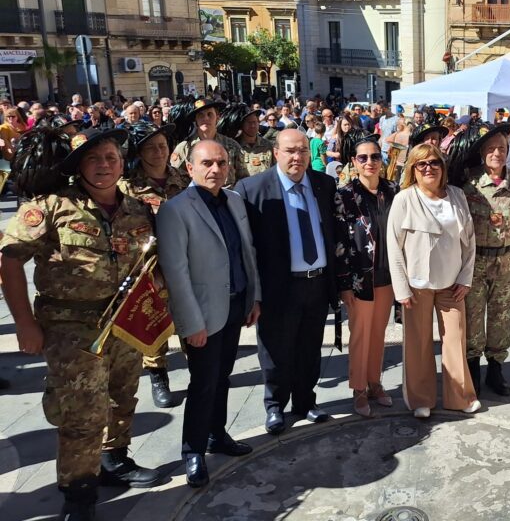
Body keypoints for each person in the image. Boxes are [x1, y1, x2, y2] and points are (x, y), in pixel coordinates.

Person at [0, 127, 163, 519]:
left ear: (123, 164)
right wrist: (24, 322)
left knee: (122, 397)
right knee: (82, 414)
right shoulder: (53, 207)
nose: (104, 166)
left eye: (111, 158)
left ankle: (114, 461)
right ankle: (79, 493)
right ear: (79, 167)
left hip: (124, 324)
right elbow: (7, 259)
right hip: (71, 330)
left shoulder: (139, 209)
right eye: (94, 159)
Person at [157, 141, 261, 488]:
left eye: (221, 163)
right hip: (203, 314)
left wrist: (253, 298)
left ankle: (218, 435)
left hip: (235, 304)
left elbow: (247, 252)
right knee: (202, 383)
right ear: (190, 168)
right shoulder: (176, 210)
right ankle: (193, 451)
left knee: (224, 376)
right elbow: (176, 271)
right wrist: (191, 323)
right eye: (207, 163)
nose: (215, 169)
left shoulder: (233, 201)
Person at [235, 129, 338, 434]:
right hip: (278, 287)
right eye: (290, 151)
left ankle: (306, 402)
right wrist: (253, 294)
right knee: (275, 350)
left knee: (310, 348)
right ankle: (275, 406)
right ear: (275, 153)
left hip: (316, 283)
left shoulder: (324, 184)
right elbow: (246, 247)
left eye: (303, 151)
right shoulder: (251, 189)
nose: (297, 157)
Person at [387, 143, 480, 418]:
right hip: (416, 286)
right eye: (421, 164)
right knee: (418, 344)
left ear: (443, 167)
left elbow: (470, 242)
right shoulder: (404, 199)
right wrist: (401, 288)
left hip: (452, 284)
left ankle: (460, 396)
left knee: (455, 341)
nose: (428, 168)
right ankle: (420, 399)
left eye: (434, 163)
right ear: (413, 170)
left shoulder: (457, 196)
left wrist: (466, 278)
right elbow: (394, 246)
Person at [119, 121, 192, 408]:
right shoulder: (128, 186)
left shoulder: (183, 179)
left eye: (162, 145)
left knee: (189, 318)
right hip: (149, 268)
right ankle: (158, 376)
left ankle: (198, 370)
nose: (158, 152)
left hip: (184, 263)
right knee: (154, 322)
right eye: (150, 147)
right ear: (139, 151)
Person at [458, 123, 510, 396]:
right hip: (475, 260)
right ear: (482, 153)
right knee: (473, 317)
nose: (496, 154)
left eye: (501, 148)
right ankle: (473, 369)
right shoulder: (470, 183)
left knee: (501, 318)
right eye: (491, 149)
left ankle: (496, 370)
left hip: (507, 259)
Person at [336, 138, 399, 417]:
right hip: (359, 279)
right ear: (354, 162)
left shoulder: (393, 191)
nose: (369, 162)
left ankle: (375, 383)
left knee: (378, 334)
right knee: (360, 335)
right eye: (363, 158)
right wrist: (343, 282)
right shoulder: (345, 195)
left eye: (374, 156)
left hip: (387, 276)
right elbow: (338, 242)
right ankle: (359, 388)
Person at [170, 99, 249, 187]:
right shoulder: (184, 149)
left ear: (217, 117)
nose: (205, 118)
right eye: (201, 115)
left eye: (210, 114)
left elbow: (243, 179)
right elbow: (176, 180)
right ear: (195, 120)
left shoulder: (232, 146)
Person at [219, 104, 275, 176]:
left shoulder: (268, 145)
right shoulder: (233, 147)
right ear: (242, 125)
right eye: (249, 122)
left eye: (255, 122)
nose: (253, 126)